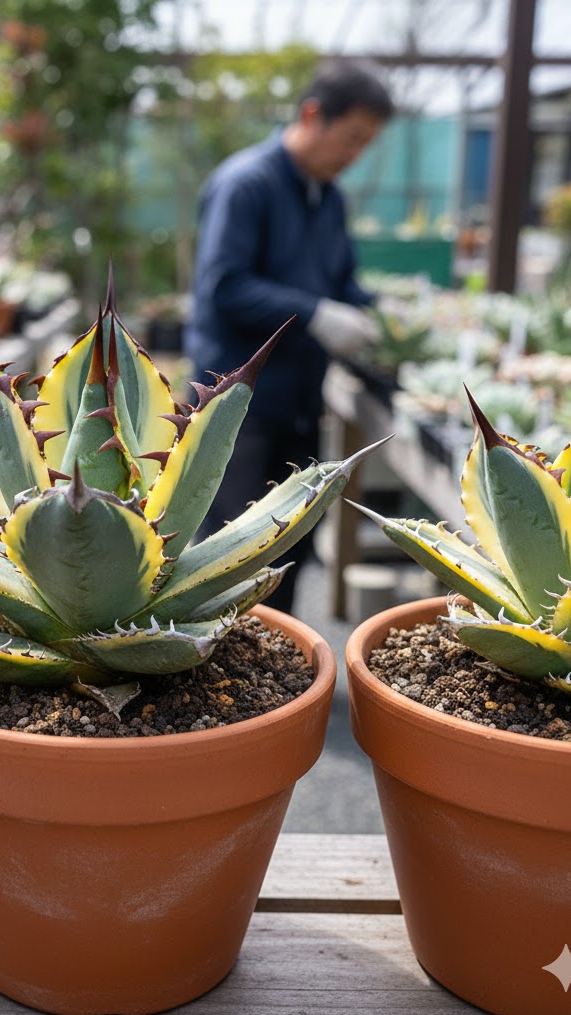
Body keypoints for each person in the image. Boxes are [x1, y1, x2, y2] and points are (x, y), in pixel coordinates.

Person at [185, 60, 394, 614]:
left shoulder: (327, 197)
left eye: (365, 144)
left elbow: (340, 280)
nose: (354, 155)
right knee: (231, 551)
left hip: (299, 400)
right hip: (237, 408)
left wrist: (381, 312)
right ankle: (221, 683)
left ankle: (284, 674)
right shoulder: (246, 184)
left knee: (288, 545)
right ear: (311, 115)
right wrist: (317, 314)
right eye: (351, 138)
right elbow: (225, 285)